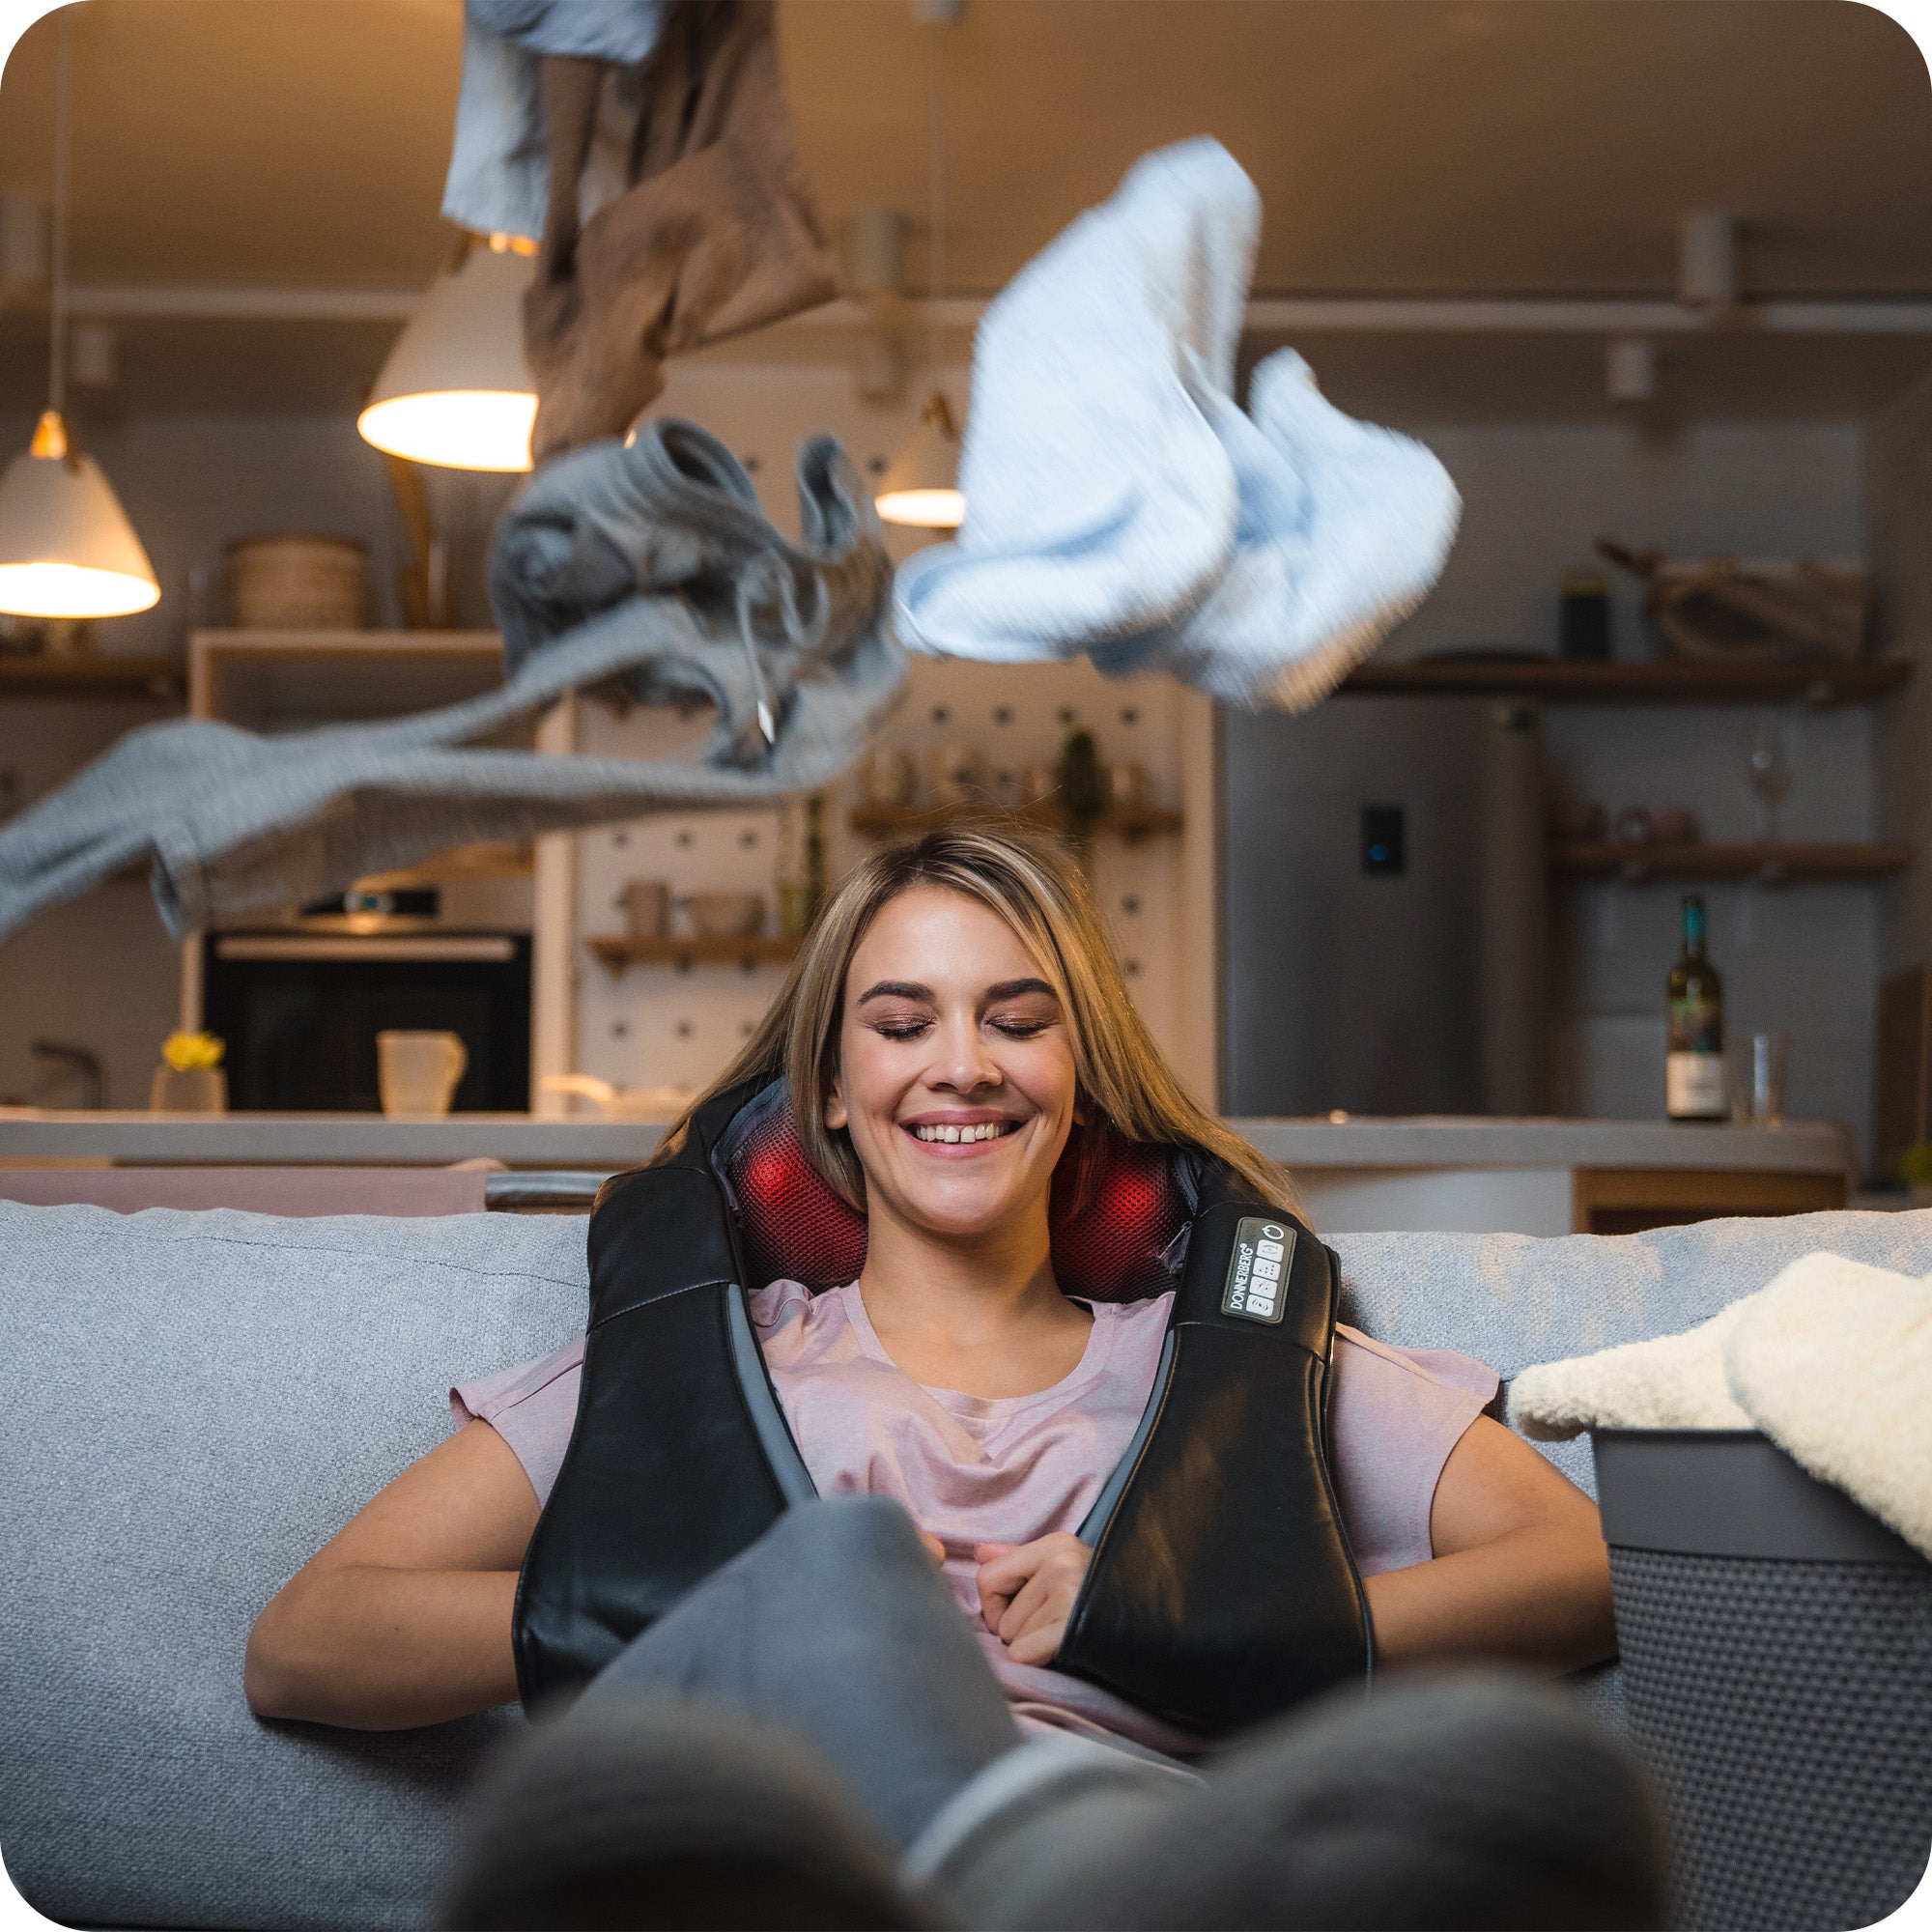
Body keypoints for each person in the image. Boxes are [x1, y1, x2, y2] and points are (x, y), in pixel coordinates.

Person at [244, 825, 1629, 1922]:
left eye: (1017, 1022)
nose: (961, 1068)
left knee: (1542, 1782)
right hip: (800, 1870)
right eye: (904, 1025)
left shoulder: (1217, 1361)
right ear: (831, 1090)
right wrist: (735, 1604)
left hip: (1149, 1864)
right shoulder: (726, 1362)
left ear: (1078, 1075)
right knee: (835, 1582)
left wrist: (1208, 1604)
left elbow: (1590, 1570)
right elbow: (307, 1643)